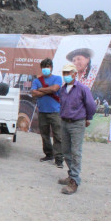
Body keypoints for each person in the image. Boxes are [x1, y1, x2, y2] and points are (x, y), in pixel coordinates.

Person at [58, 63, 96, 195]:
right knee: (65, 151)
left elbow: (91, 104)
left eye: (69, 73)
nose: (66, 76)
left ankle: (74, 180)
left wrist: (88, 117)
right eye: (65, 73)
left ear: (75, 74)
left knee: (75, 152)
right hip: (65, 122)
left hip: (77, 123)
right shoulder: (63, 89)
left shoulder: (82, 89)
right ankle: (71, 174)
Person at [31, 58, 64, 168]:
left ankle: (59, 158)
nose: (46, 69)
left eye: (48, 67)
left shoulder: (57, 78)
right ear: (41, 68)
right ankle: (49, 154)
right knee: (44, 135)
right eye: (44, 67)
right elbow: (33, 94)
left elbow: (55, 89)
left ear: (51, 68)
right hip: (42, 112)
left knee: (57, 135)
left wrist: (40, 90)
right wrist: (47, 90)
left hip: (55, 112)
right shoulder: (37, 81)